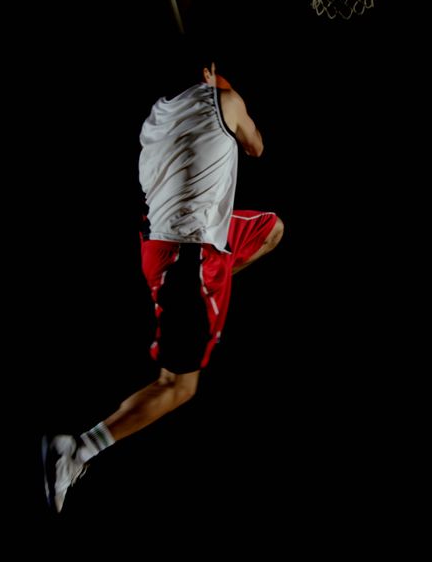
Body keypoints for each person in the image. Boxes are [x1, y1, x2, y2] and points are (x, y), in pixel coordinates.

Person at [42, 63, 284, 513]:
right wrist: (230, 92)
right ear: (213, 72)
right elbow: (256, 147)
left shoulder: (158, 113)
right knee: (179, 386)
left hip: (168, 241)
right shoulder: (228, 102)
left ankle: (212, 294)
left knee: (271, 229)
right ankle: (76, 450)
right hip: (188, 256)